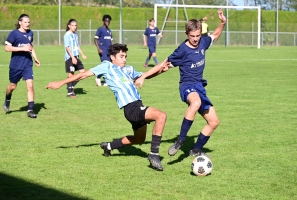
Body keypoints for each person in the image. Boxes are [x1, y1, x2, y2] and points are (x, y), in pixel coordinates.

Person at [46, 43, 168, 171]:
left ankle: (108, 146)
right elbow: (82, 75)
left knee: (139, 139)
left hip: (138, 106)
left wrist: (160, 70)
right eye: (121, 56)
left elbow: (145, 76)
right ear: (112, 57)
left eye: (125, 56)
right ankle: (154, 154)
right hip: (131, 108)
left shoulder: (129, 69)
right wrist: (59, 83)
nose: (124, 59)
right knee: (161, 115)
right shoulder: (106, 66)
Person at [135, 9, 226, 157]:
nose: (195, 39)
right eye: (192, 36)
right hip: (187, 86)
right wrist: (144, 76)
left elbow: (215, 35)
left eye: (197, 36)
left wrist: (222, 22)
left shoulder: (203, 42)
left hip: (200, 87)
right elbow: (163, 65)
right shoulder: (182, 50)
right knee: (195, 103)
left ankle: (196, 150)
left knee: (213, 122)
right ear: (186, 34)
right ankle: (181, 140)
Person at [3, 14, 40, 118]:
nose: (27, 24)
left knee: (30, 85)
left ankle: (30, 110)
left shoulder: (30, 33)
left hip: (27, 64)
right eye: (25, 22)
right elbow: (7, 48)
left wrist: (35, 58)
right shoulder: (14, 34)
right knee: (12, 86)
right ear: (20, 22)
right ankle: (8, 98)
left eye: (29, 22)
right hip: (16, 65)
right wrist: (22, 49)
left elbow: (30, 47)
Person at [64, 19, 86, 98]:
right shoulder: (67, 35)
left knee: (83, 73)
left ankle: (70, 85)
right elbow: (67, 47)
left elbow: (77, 45)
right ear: (69, 26)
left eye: (75, 25)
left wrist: (82, 54)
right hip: (70, 57)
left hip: (76, 56)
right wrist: (72, 57)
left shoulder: (75, 35)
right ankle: (70, 93)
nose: (74, 27)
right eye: (72, 25)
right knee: (71, 75)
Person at [94, 14, 113, 86]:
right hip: (102, 50)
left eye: (108, 21)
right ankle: (104, 81)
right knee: (106, 64)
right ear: (103, 21)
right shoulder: (100, 29)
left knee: (108, 65)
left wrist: (112, 50)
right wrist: (98, 48)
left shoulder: (109, 31)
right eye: (106, 21)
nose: (107, 22)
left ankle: (99, 77)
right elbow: (95, 39)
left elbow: (111, 41)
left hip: (109, 51)